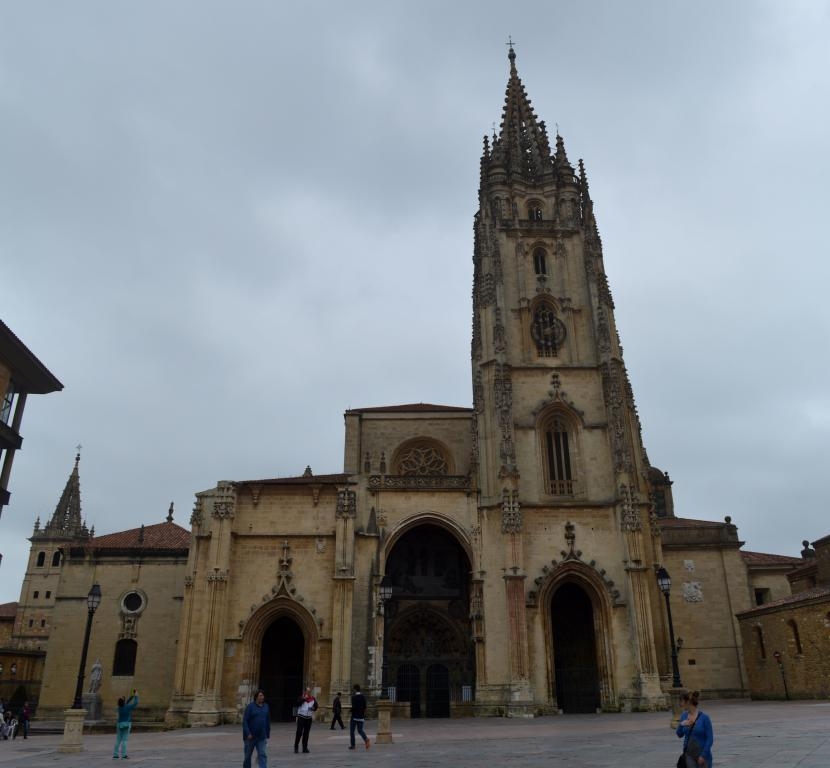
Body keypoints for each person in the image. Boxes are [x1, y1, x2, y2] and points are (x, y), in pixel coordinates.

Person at [676, 690, 714, 768]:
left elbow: (710, 739)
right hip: (689, 754)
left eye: (682, 701)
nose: (680, 704)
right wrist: (681, 724)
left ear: (688, 702)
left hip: (703, 754)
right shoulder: (684, 716)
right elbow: (679, 734)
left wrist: (703, 755)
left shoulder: (704, 718)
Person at [242, 689, 270, 768]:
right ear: (256, 697)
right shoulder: (250, 707)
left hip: (261, 736)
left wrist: (267, 734)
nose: (262, 697)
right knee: (247, 756)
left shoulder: (266, 706)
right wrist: (248, 733)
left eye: (263, 695)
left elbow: (267, 720)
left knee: (262, 754)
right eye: (260, 695)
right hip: (250, 737)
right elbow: (245, 721)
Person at [113, 690, 139, 759]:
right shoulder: (127, 707)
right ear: (124, 702)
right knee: (125, 740)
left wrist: (131, 696)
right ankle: (124, 755)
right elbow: (136, 703)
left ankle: (115, 755)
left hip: (119, 724)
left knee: (118, 740)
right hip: (127, 724)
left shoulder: (118, 708)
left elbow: (125, 702)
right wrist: (136, 695)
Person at [294, 687, 317, 753]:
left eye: (309, 691)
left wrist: (313, 708)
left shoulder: (313, 699)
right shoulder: (301, 698)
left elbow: (316, 706)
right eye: (307, 691)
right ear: (305, 692)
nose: (308, 692)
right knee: (299, 732)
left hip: (308, 718)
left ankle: (305, 748)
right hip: (301, 717)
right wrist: (304, 699)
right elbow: (297, 703)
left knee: (306, 733)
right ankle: (296, 746)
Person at [348, 684, 370, 751]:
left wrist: (350, 711)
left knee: (352, 731)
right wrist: (363, 714)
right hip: (361, 716)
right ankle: (366, 739)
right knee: (360, 730)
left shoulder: (353, 697)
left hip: (354, 716)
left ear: (355, 689)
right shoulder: (363, 696)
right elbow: (365, 707)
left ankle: (353, 745)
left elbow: (354, 707)